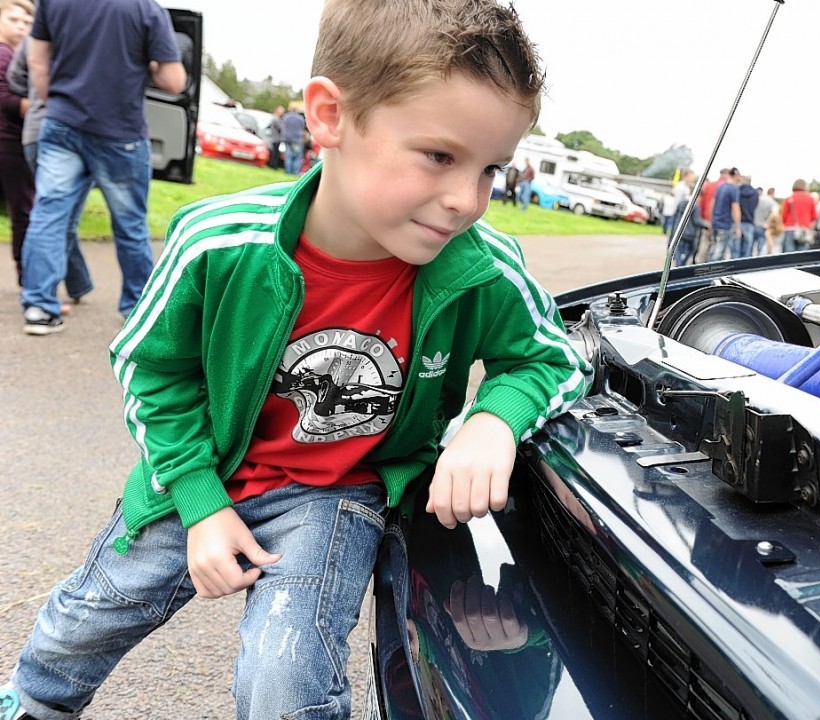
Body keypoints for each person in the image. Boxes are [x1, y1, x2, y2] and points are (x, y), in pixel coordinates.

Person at [0, 0, 591, 717]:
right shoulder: (218, 242)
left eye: (492, 169)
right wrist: (198, 500)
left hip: (336, 495)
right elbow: (151, 368)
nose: (468, 201)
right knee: (86, 618)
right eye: (440, 156)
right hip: (200, 469)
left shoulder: (485, 268)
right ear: (329, 116)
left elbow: (553, 355)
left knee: (286, 676)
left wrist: (493, 420)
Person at [18, 0, 186, 335]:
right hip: (120, 131)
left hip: (62, 123)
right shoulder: (146, 9)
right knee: (130, 223)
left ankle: (39, 306)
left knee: (49, 213)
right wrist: (150, 66)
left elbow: (36, 59)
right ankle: (137, 307)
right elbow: (174, 81)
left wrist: (56, 103)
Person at [6, 31, 92, 312]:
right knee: (54, 219)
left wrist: (38, 95)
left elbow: (16, 78)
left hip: (35, 132)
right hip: (72, 131)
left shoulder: (39, 34)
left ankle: (71, 287)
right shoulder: (88, 33)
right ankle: (40, 298)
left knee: (50, 214)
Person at [0, 0, 33, 285]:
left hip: (11, 142)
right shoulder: (3, 54)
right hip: (9, 142)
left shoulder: (13, 54)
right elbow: (5, 99)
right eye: (13, 20)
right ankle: (28, 279)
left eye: (26, 22)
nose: (21, 26)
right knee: (23, 213)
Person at [706, 166, 742, 262]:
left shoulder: (720, 187)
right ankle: (712, 273)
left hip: (716, 222)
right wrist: (738, 227)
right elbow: (736, 208)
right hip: (725, 224)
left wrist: (711, 221)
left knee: (714, 248)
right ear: (736, 176)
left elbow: (712, 204)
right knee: (719, 251)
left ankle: (707, 268)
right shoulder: (734, 189)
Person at [780, 178, 817, 252]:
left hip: (790, 229)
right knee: (802, 254)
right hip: (804, 230)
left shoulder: (789, 199)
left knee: (789, 253)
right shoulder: (811, 199)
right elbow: (814, 217)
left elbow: (783, 217)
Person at [736, 175, 758, 258]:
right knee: (747, 247)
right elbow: (755, 206)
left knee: (736, 248)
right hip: (749, 221)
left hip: (738, 221)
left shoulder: (737, 191)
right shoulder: (755, 193)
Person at [751, 185, 776, 257]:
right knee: (760, 248)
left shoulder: (757, 199)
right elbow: (774, 214)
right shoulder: (771, 202)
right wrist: (768, 223)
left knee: (750, 247)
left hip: (753, 224)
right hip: (763, 226)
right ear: (773, 193)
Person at [281, 104, 305, 174]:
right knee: (297, 157)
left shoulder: (286, 117)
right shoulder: (300, 118)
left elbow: (283, 126)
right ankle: (295, 172)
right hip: (296, 139)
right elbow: (302, 127)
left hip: (287, 139)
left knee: (288, 156)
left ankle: (287, 171)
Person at [264, 105, 284, 170]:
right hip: (276, 138)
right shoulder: (276, 119)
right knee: (275, 153)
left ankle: (273, 165)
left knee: (275, 152)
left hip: (274, 138)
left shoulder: (274, 118)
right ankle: (274, 165)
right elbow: (280, 128)